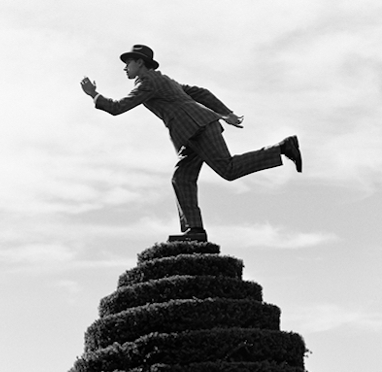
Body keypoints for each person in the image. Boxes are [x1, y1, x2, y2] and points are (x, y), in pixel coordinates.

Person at [80, 44, 302, 242]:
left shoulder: (148, 82)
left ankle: (283, 148)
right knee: (182, 178)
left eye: (128, 62)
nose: (124, 67)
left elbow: (117, 107)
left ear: (140, 63)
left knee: (228, 169)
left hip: (199, 128)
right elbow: (200, 92)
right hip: (192, 132)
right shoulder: (165, 80)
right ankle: (194, 230)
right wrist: (226, 113)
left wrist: (94, 94)